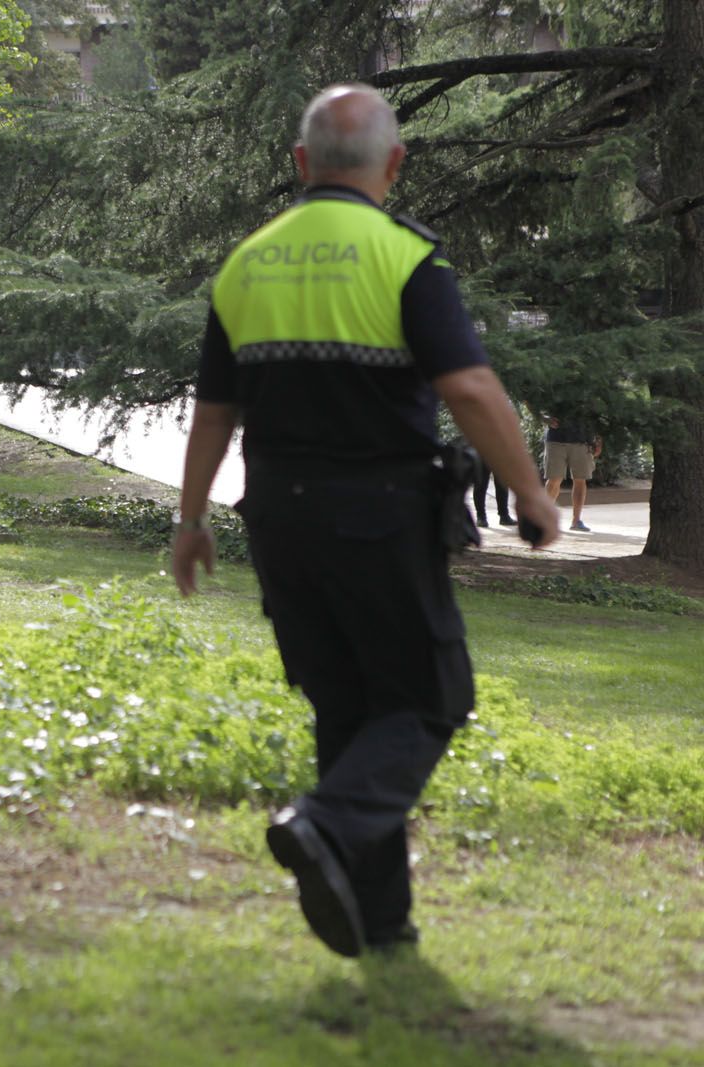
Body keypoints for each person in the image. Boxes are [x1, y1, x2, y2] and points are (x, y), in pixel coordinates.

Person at [171, 84, 560, 958]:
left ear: (301, 164)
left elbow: (212, 413)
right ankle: (323, 821)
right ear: (395, 164)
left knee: (349, 711)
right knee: (430, 694)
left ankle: (382, 925)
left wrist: (189, 520)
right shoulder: (404, 257)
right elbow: (468, 385)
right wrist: (531, 495)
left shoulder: (248, 263)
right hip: (379, 517)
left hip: (276, 518)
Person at [542, 415, 601, 532]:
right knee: (554, 479)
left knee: (580, 479)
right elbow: (530, 401)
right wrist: (544, 418)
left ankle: (576, 521)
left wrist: (598, 440)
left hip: (582, 441)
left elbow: (597, 413)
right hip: (556, 440)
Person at [471, 454, 514, 528]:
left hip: (499, 451)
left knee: (502, 484)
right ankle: (481, 516)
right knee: (480, 484)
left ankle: (504, 516)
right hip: (482, 451)